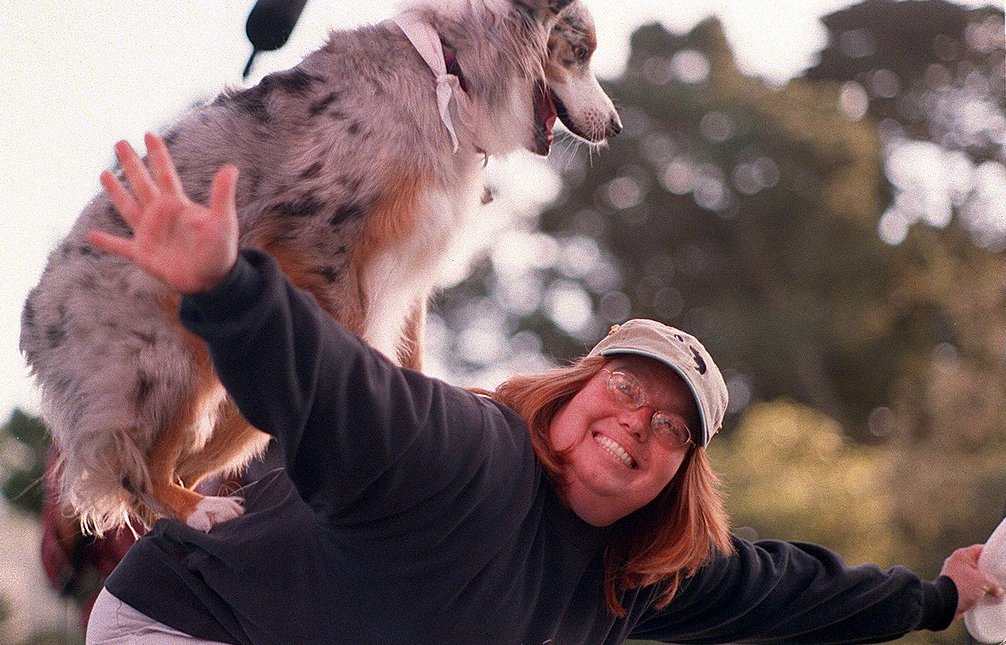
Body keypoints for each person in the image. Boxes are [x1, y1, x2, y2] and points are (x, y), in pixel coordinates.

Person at [82, 132, 1001, 645]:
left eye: (671, 427)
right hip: (191, 623)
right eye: (624, 391)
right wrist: (226, 289)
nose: (636, 423)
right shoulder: (464, 455)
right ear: (568, 396)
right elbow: (334, 390)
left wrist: (939, 597)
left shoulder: (638, 579)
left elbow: (794, 588)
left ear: (678, 475)